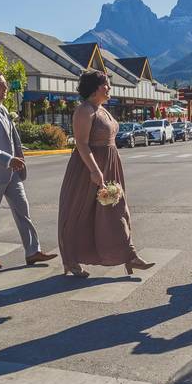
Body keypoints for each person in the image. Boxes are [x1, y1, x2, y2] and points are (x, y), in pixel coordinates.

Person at [57, 70, 154, 277]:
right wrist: (94, 170)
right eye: (106, 85)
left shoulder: (102, 109)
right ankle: (71, 260)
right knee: (80, 214)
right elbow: (82, 144)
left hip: (109, 166)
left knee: (118, 211)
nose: (109, 88)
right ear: (95, 88)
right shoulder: (85, 110)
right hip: (88, 169)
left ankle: (130, 256)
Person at [0, 70, 56, 270]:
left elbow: (12, 139)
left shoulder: (3, 109)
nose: (5, 88)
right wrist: (9, 160)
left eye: (6, 85)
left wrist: (17, 159)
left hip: (13, 173)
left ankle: (32, 251)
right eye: (1, 85)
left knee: (23, 211)